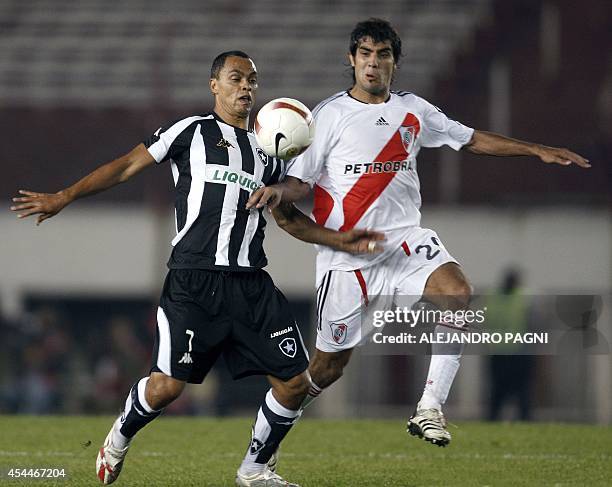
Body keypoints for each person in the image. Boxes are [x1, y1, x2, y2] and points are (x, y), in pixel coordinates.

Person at [10, 50, 383, 487]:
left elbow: (289, 221)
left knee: (294, 384)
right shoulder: (191, 131)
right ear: (214, 86)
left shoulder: (270, 153)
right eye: (236, 78)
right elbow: (127, 165)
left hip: (251, 284)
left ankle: (255, 469)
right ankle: (120, 435)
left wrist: (340, 239)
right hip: (193, 280)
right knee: (166, 388)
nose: (246, 87)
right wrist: (65, 196)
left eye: (252, 80)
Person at [248, 18, 590, 449]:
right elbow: (300, 183)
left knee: (457, 292)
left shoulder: (414, 110)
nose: (373, 64)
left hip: (406, 240)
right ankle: (272, 429)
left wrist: (535, 149)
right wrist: (278, 190)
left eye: (383, 54)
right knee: (326, 369)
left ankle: (430, 407)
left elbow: (470, 139)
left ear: (395, 61)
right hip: (349, 256)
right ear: (351, 60)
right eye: (366, 54)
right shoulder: (328, 116)